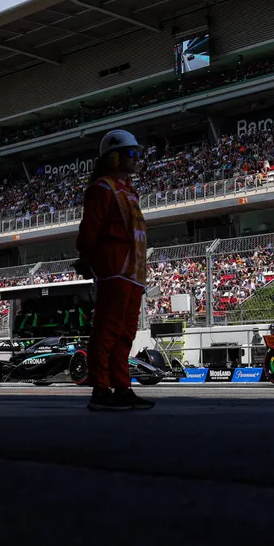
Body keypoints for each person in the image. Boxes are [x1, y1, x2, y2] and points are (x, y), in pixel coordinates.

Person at [75, 129, 153, 411]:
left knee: (126, 334)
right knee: (107, 332)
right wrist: (86, 258)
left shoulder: (128, 191)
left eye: (137, 154)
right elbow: (90, 229)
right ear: (113, 157)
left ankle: (122, 387)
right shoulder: (102, 188)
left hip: (132, 273)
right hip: (113, 270)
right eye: (131, 153)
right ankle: (100, 389)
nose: (136, 159)